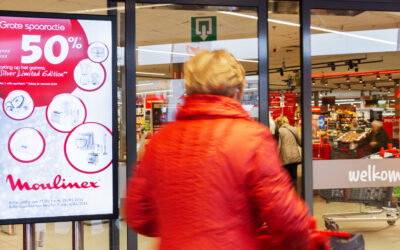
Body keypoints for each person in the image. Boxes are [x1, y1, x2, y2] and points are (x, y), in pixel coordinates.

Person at [125, 50, 311, 250]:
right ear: (236, 92)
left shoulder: (160, 141)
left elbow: (138, 214)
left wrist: (177, 228)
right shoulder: (252, 139)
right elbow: (288, 222)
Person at [276, 116, 302, 189]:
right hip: (294, 157)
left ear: (279, 123)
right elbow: (301, 142)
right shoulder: (294, 129)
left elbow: (279, 146)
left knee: (286, 179)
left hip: (285, 158)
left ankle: (288, 196)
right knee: (294, 178)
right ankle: (294, 193)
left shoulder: (280, 131)